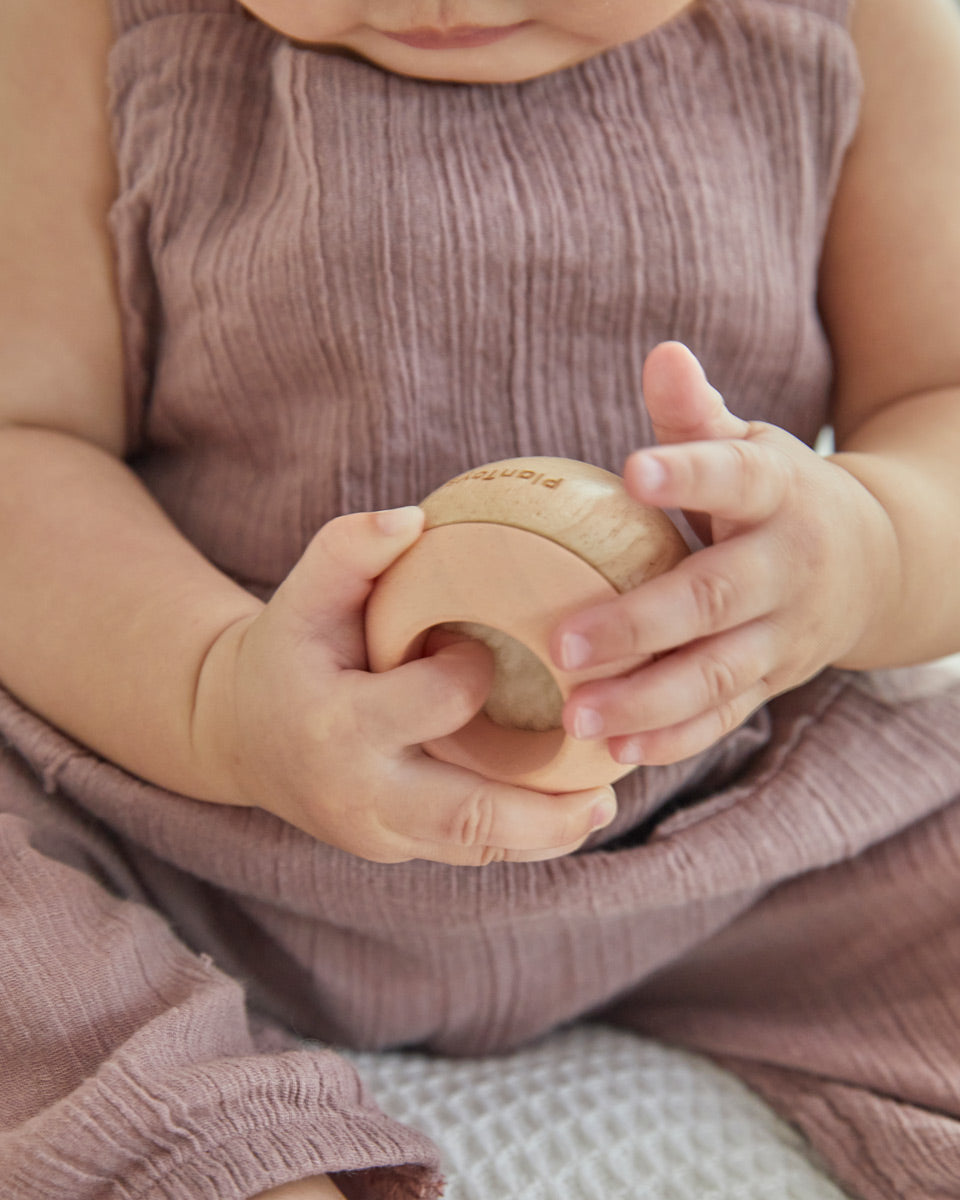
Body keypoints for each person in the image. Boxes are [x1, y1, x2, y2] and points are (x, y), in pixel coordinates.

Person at [2, 0, 960, 1197]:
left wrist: (864, 555)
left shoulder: (865, 23)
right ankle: (211, 1158)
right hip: (195, 827)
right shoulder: (74, 24)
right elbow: (26, 441)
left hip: (741, 831)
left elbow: (943, 399)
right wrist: (213, 698)